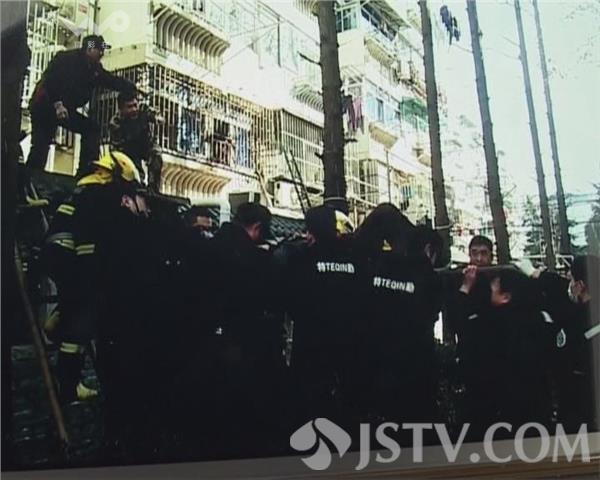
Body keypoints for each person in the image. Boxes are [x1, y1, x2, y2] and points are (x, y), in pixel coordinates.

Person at [41, 151, 143, 403]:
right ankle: (69, 384)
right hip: (68, 253)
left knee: (75, 301)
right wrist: (93, 271)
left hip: (57, 252)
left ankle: (57, 319)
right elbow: (90, 239)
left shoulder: (86, 190)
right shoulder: (100, 195)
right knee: (83, 314)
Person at [357, 208, 442, 444]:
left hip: (378, 365)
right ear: (429, 250)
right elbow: (431, 313)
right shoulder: (427, 276)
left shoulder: (375, 267)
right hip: (416, 368)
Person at [283, 205, 365, 441]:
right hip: (347, 346)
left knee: (311, 406)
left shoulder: (301, 259)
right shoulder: (353, 259)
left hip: (311, 346)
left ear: (311, 230)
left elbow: (291, 301)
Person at [26, 35, 135, 173]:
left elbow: (110, 80)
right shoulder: (66, 59)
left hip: (66, 108)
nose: (102, 54)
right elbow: (51, 81)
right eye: (99, 50)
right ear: (89, 49)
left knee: (92, 129)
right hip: (44, 106)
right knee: (41, 145)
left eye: (103, 50)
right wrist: (57, 104)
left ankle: (86, 171)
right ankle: (29, 177)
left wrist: (131, 87)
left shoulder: (94, 70)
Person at [532, 255, 600, 433]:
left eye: (571, 279)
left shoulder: (576, 320)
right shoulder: (578, 315)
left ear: (580, 285)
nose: (569, 285)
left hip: (581, 406)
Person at [487, 269, 554, 433]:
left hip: (511, 405)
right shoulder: (538, 318)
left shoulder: (499, 326)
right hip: (540, 402)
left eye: (493, 290)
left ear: (505, 297)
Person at [109, 91, 163, 193]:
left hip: (145, 144)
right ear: (121, 109)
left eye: (135, 105)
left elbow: (158, 116)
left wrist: (155, 117)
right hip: (127, 148)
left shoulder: (143, 110)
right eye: (129, 107)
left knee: (156, 154)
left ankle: (153, 188)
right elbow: (116, 150)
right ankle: (135, 185)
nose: (134, 109)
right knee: (127, 166)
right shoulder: (116, 123)